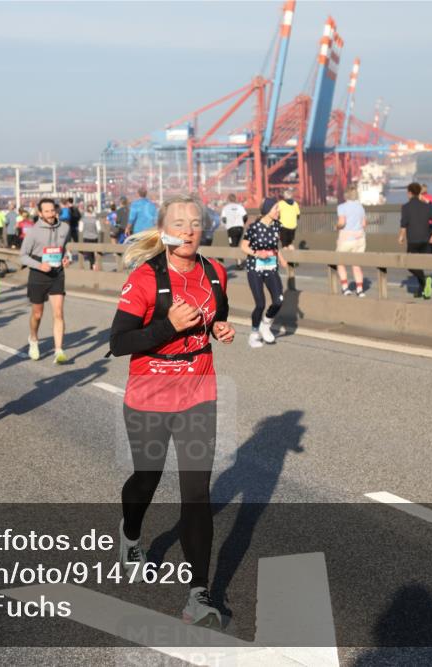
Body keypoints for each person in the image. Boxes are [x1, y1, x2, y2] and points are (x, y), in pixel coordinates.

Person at [109, 192, 234, 629]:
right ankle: (129, 535)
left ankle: (198, 594)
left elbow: (219, 312)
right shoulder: (144, 279)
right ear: (163, 228)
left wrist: (218, 328)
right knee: (147, 478)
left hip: (199, 390)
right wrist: (168, 326)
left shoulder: (215, 272)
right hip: (149, 393)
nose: (188, 229)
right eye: (179, 222)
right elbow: (119, 342)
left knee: (196, 493)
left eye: (196, 222)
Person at [19, 198, 71, 363]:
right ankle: (33, 339)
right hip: (38, 274)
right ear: (40, 213)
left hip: (57, 274)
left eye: (52, 210)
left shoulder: (64, 227)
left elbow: (65, 248)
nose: (50, 214)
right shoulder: (33, 231)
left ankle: (59, 351)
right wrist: (39, 265)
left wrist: (66, 258)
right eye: (46, 211)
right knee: (38, 314)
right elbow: (22, 256)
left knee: (58, 313)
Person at [241, 201, 288, 347]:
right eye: (276, 208)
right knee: (260, 304)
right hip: (255, 268)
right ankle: (254, 334)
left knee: (279, 300)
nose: (278, 211)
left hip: (271, 267)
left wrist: (281, 259)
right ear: (268, 210)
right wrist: (256, 254)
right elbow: (244, 246)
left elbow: (275, 246)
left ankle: (266, 324)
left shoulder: (277, 226)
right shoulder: (254, 227)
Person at [398, 182, 432, 299]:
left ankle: (424, 280)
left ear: (410, 193)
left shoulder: (405, 207)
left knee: (410, 264)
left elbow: (404, 224)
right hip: (426, 240)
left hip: (413, 241)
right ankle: (423, 290)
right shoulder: (427, 206)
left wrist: (401, 237)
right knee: (421, 264)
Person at [335, 187, 367, 297]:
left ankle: (345, 288)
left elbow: (342, 223)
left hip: (346, 239)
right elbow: (364, 224)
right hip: (360, 239)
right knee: (356, 265)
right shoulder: (360, 207)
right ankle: (360, 290)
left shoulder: (342, 207)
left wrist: (336, 226)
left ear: (346, 195)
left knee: (340, 262)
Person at [221, 193, 248, 266]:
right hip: (240, 228)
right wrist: (243, 223)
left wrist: (226, 224)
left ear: (228, 199)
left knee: (233, 246)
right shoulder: (240, 207)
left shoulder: (225, 208)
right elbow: (245, 216)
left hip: (231, 229)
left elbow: (223, 219)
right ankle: (239, 261)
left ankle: (239, 262)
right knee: (236, 245)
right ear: (235, 199)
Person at [79, 203, 102, 271]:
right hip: (94, 237)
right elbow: (99, 229)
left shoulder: (83, 219)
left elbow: (80, 229)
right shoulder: (96, 219)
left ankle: (91, 265)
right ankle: (93, 264)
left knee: (89, 253)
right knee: (93, 251)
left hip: (86, 237)